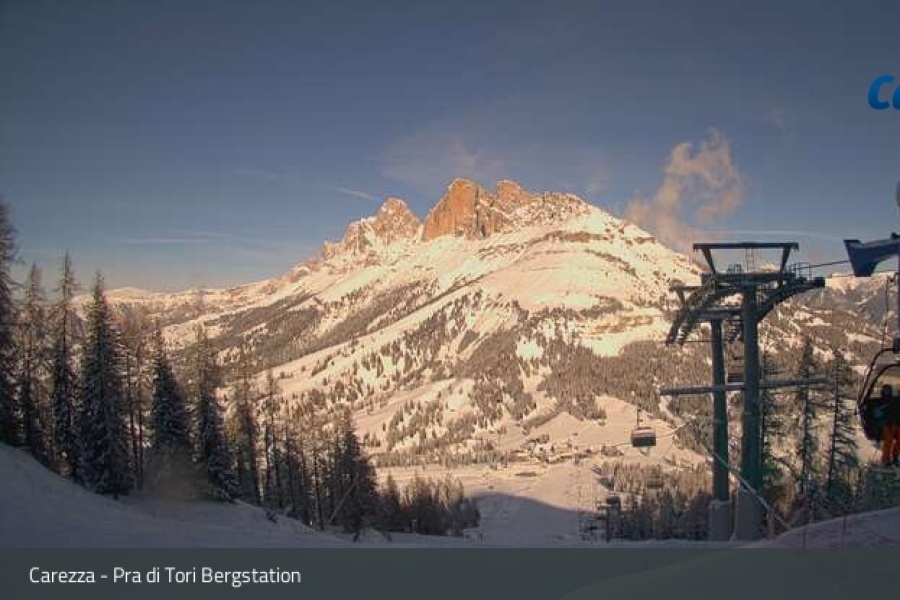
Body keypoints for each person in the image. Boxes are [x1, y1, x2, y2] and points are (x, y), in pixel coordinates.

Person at [877, 384, 900, 467]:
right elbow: (878, 413)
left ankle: (895, 456)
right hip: (886, 423)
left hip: (895, 422)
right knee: (889, 439)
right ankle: (885, 460)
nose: (887, 392)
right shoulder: (880, 401)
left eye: (888, 391)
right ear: (883, 391)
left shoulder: (894, 400)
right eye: (886, 390)